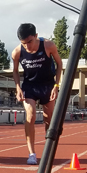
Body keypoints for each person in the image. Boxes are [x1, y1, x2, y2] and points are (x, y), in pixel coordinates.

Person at [12, 23, 63, 165]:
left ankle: (48, 149)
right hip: (30, 86)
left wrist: (56, 85)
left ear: (36, 36)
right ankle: (32, 154)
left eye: (30, 42)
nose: (27, 46)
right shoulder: (17, 52)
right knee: (30, 115)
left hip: (47, 85)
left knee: (48, 118)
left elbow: (59, 64)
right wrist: (17, 87)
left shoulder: (48, 45)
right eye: (24, 43)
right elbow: (15, 71)